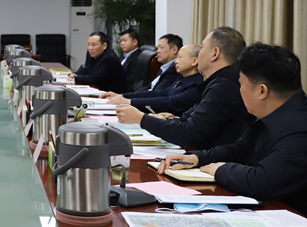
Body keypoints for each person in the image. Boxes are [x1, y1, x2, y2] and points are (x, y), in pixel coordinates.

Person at [159, 43, 307, 215]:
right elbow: (239, 150)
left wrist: (220, 170)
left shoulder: (299, 126)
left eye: (241, 84)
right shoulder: (271, 114)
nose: (239, 90)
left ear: (262, 91)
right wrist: (197, 158)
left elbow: (263, 181)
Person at [116, 27, 247, 150]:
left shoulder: (224, 86)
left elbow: (190, 134)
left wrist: (141, 118)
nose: (199, 54)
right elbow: (191, 120)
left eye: (202, 47)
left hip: (215, 161)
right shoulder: (218, 81)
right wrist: (172, 120)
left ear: (215, 53)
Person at [102, 44, 203, 116]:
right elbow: (160, 93)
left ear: (194, 61)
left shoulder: (197, 84)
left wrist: (129, 101)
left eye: (180, 58)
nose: (176, 62)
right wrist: (123, 96)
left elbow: (170, 102)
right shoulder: (182, 79)